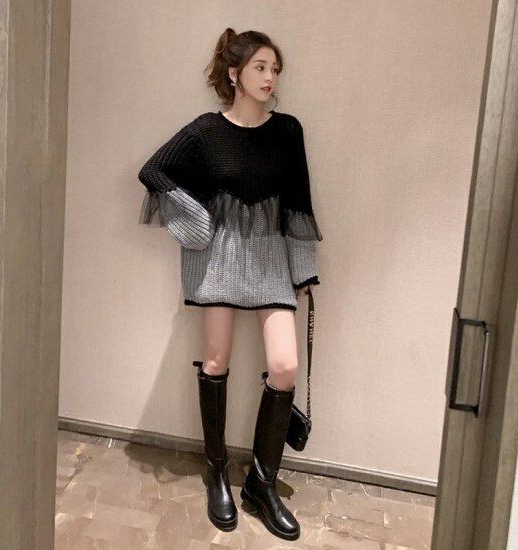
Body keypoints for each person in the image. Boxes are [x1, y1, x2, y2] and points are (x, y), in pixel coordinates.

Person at [137, 28, 323, 542]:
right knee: (216, 361)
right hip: (218, 261)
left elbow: (299, 202)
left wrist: (303, 269)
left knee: (284, 366)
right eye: (261, 67)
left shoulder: (288, 130)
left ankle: (261, 485)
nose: (270, 77)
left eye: (275, 69)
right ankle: (217, 471)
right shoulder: (205, 130)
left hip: (270, 259)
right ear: (235, 73)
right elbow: (153, 170)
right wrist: (196, 220)